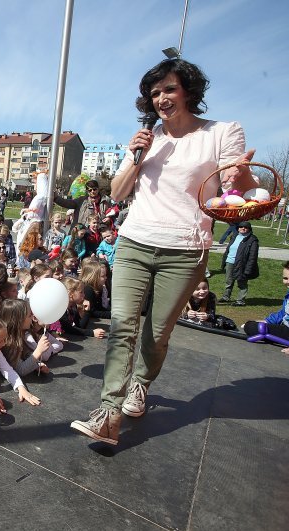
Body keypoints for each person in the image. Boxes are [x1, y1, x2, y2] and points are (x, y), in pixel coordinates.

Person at [71, 58, 257, 445]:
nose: (161, 98)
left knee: (156, 334)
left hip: (185, 249)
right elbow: (118, 193)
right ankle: (108, 412)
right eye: (154, 93)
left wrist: (239, 175)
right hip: (136, 240)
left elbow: (233, 187)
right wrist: (136, 159)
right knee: (122, 325)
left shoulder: (222, 132)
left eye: (169, 89)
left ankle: (140, 383)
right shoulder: (146, 139)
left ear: (188, 91)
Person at [244, 261, 289, 344]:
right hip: (284, 327)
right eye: (285, 278)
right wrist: (267, 321)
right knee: (252, 324)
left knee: (250, 327)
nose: (287, 282)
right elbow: (282, 314)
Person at [220, 221, 259, 306]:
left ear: (249, 229)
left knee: (242, 282)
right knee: (228, 281)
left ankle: (240, 300)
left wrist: (248, 269)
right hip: (230, 262)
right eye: (241, 227)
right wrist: (224, 261)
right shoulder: (234, 236)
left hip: (242, 265)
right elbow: (228, 250)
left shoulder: (252, 239)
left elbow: (253, 256)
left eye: (246, 227)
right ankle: (226, 297)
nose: (243, 228)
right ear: (238, 228)